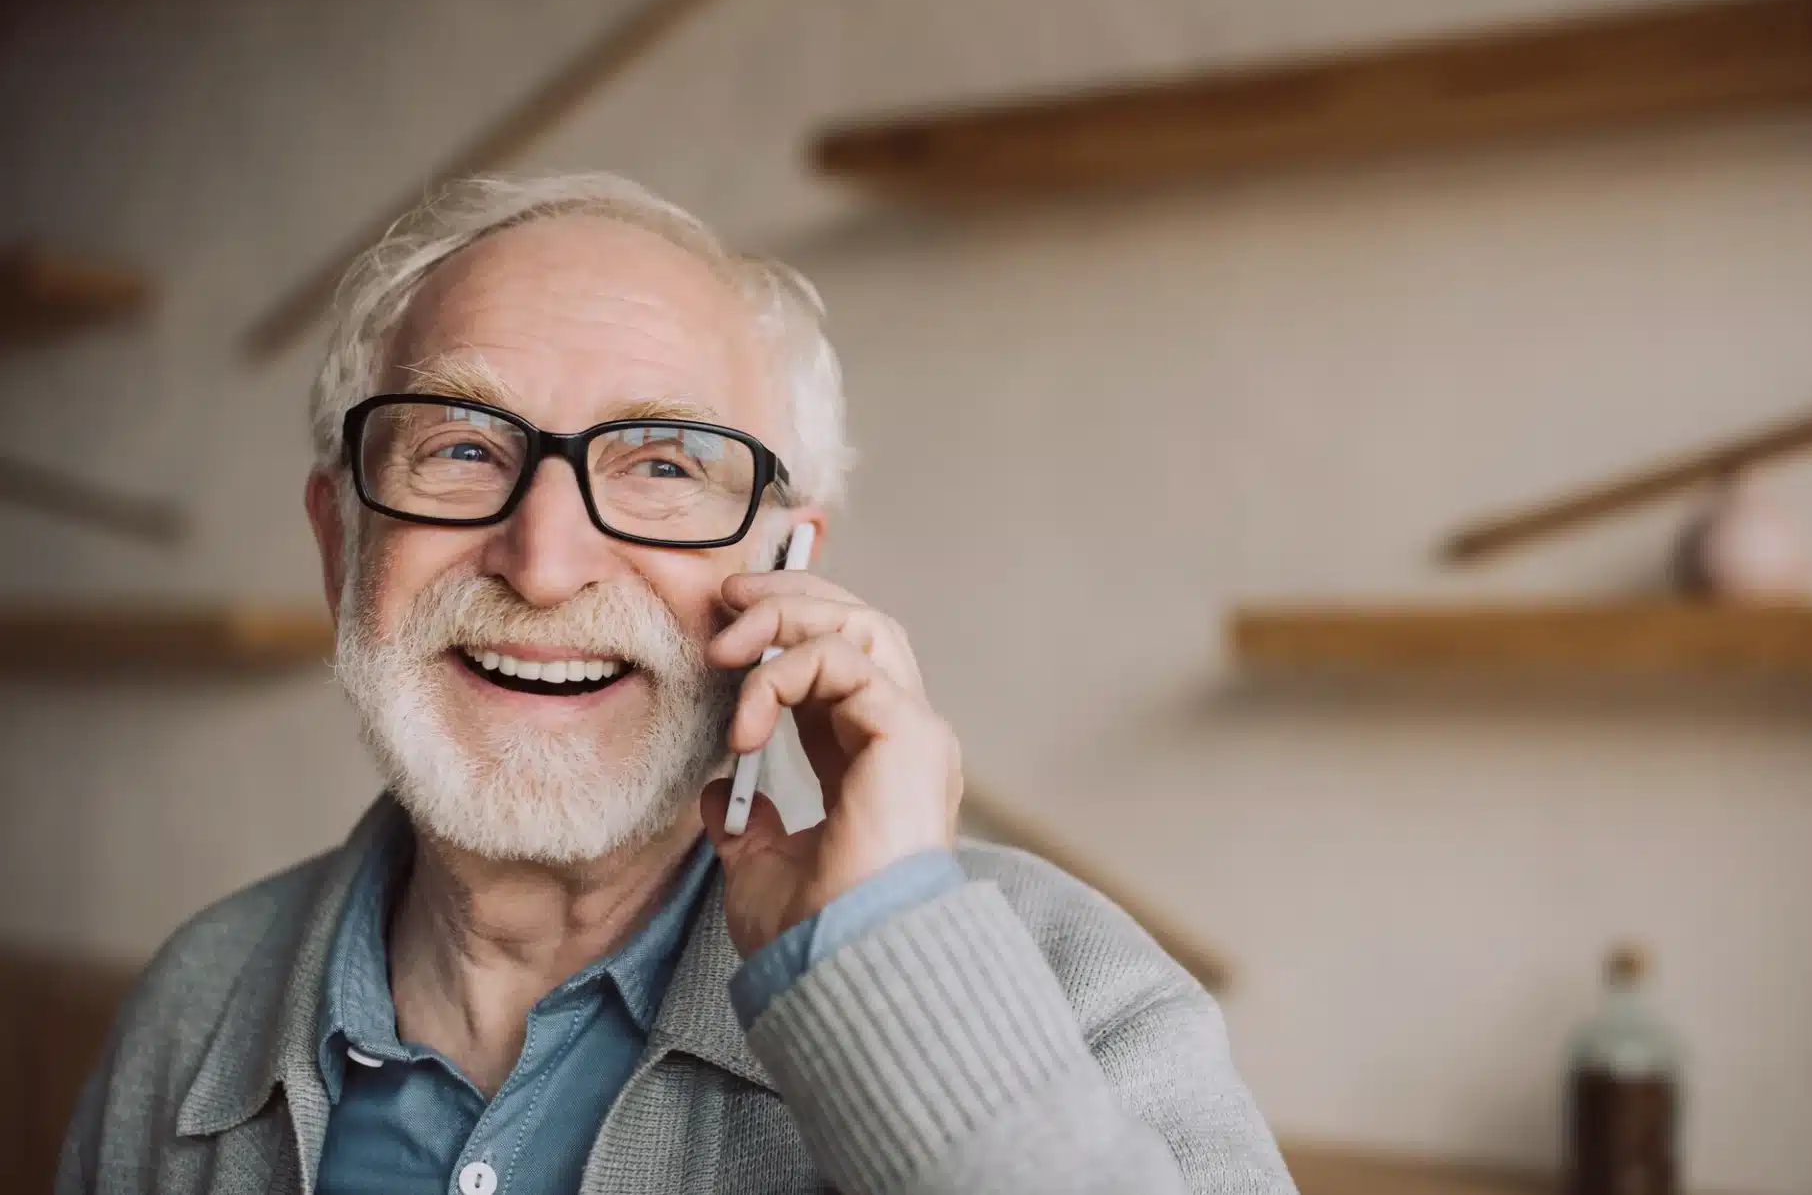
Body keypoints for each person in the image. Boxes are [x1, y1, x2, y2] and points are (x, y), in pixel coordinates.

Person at [58, 173, 1294, 1195]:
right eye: (461, 448)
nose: (543, 563)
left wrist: (888, 968)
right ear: (342, 546)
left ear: (790, 562)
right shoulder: (193, 1004)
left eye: (662, 465)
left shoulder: (1081, 988)